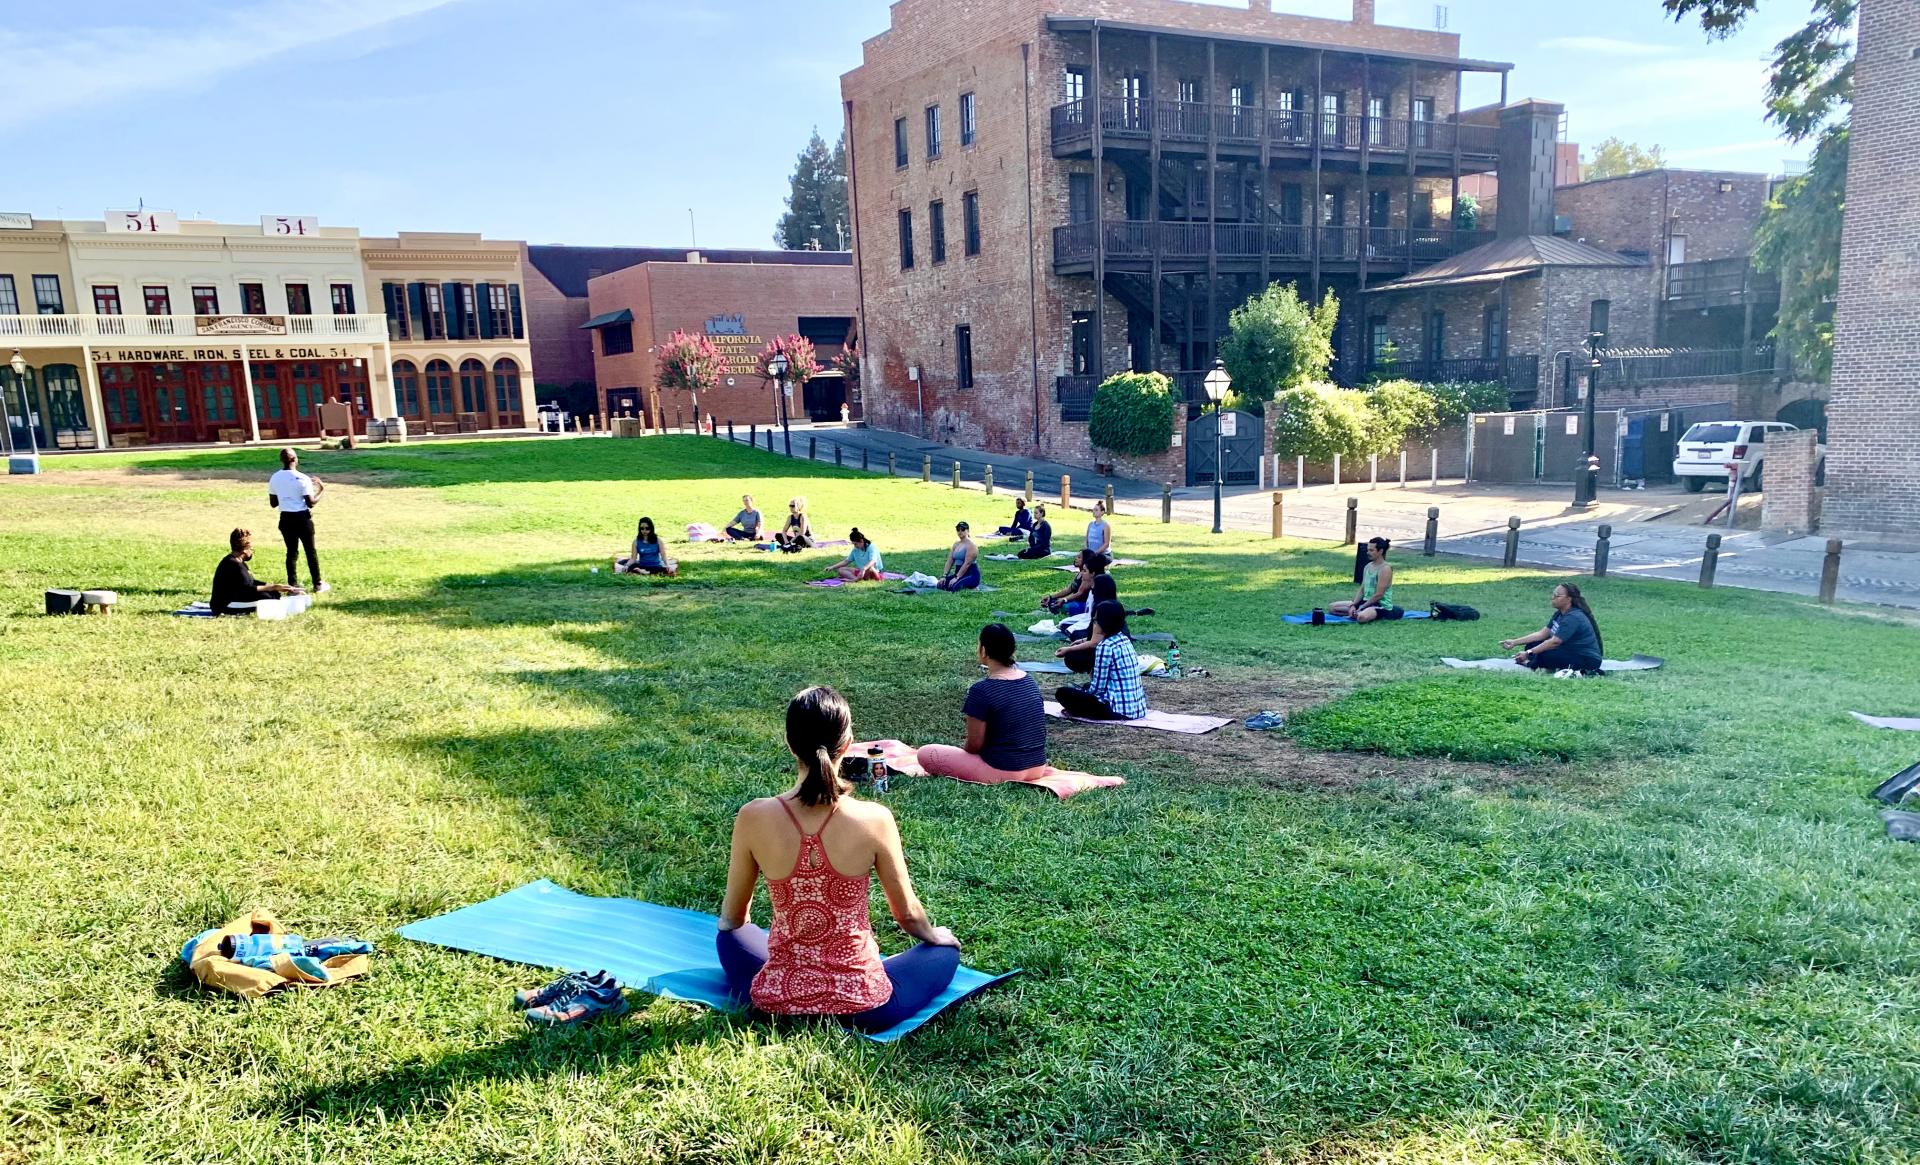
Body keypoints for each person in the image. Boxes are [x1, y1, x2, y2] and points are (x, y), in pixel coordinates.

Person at [716, 686, 960, 1033]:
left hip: (776, 1002)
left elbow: (733, 919)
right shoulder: (873, 818)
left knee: (728, 937)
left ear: (789, 743)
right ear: (847, 745)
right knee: (945, 952)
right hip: (866, 1006)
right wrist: (936, 935)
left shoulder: (753, 817)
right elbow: (907, 916)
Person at [918, 624, 1052, 783]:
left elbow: (974, 745)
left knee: (925, 753)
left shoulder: (982, 690)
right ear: (1012, 650)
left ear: (983, 650)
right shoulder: (1029, 681)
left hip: (1002, 770)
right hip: (1037, 767)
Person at [1055, 601, 1149, 721]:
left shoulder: (1105, 646)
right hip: (1136, 708)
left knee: (1063, 693)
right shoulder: (1123, 638)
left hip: (1117, 710)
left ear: (1104, 623)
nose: (1093, 624)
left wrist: (1084, 692)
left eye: (1095, 620)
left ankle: (1080, 710)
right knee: (1083, 688)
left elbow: (1098, 688)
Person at [1502, 583, 1605, 674]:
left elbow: (1554, 642)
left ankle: (1530, 664)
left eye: (1557, 596)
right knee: (1533, 645)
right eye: (1553, 594)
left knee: (1544, 653)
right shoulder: (1560, 614)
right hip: (1568, 651)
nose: (1553, 597)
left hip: (1586, 659)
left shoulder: (1573, 617)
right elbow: (1542, 634)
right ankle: (1538, 664)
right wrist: (1515, 642)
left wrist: (1528, 653)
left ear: (1569, 599)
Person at [267, 448, 329, 594]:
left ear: (281, 460)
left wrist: (285, 497)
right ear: (295, 459)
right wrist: (321, 490)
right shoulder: (302, 478)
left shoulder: (275, 478)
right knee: (310, 551)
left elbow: (273, 503)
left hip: (286, 518)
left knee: (291, 552)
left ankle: (292, 585)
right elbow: (311, 503)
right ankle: (317, 583)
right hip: (302, 518)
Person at [211, 528, 302, 615]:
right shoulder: (233, 564)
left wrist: (275, 586)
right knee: (269, 598)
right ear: (245, 550)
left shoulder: (238, 561)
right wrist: (273, 587)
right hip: (225, 605)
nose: (251, 552)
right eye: (251, 549)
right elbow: (248, 588)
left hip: (236, 597)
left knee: (273, 594)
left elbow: (251, 582)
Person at [1053, 570, 1121, 672]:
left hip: (1106, 653)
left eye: (1094, 586)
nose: (1091, 588)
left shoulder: (1103, 609)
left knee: (1072, 657)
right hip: (1110, 649)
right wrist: (1081, 641)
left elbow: (1095, 642)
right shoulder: (1113, 605)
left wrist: (1069, 649)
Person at [1330, 537, 1400, 622]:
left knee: (1361, 618)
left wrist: (1362, 607)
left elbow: (1379, 595)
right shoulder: (1368, 566)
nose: (1368, 553)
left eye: (1371, 550)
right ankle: (1355, 613)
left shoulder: (1385, 569)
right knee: (1333, 608)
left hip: (1380, 605)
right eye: (1368, 550)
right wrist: (1354, 605)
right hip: (1365, 602)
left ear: (1380, 551)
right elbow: (1362, 589)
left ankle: (1359, 614)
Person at [1042, 550, 1109, 614]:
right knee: (1052, 601)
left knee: (1060, 605)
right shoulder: (1081, 573)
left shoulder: (1088, 576)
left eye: (1079, 557)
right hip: (1075, 601)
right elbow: (1069, 589)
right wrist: (1051, 597)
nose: (1076, 559)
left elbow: (1079, 593)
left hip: (1084, 604)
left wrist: (1064, 600)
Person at [937, 522, 981, 591]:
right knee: (940, 585)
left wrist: (957, 578)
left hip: (971, 575)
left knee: (953, 587)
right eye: (958, 529)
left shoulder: (971, 545)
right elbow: (950, 561)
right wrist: (944, 576)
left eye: (963, 529)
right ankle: (960, 582)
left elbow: (967, 564)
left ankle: (974, 587)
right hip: (958, 573)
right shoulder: (956, 544)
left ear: (968, 531)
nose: (960, 531)